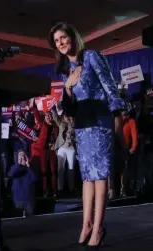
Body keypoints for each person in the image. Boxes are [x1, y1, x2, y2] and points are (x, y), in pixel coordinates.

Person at [48, 22, 125, 249]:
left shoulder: (92, 56)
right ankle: (86, 225)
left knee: (100, 175)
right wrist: (68, 87)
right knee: (87, 176)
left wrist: (118, 117)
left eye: (63, 37)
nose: (61, 43)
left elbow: (110, 87)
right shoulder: (66, 71)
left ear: (73, 37)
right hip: (82, 124)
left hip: (100, 121)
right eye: (56, 41)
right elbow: (68, 109)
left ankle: (99, 227)